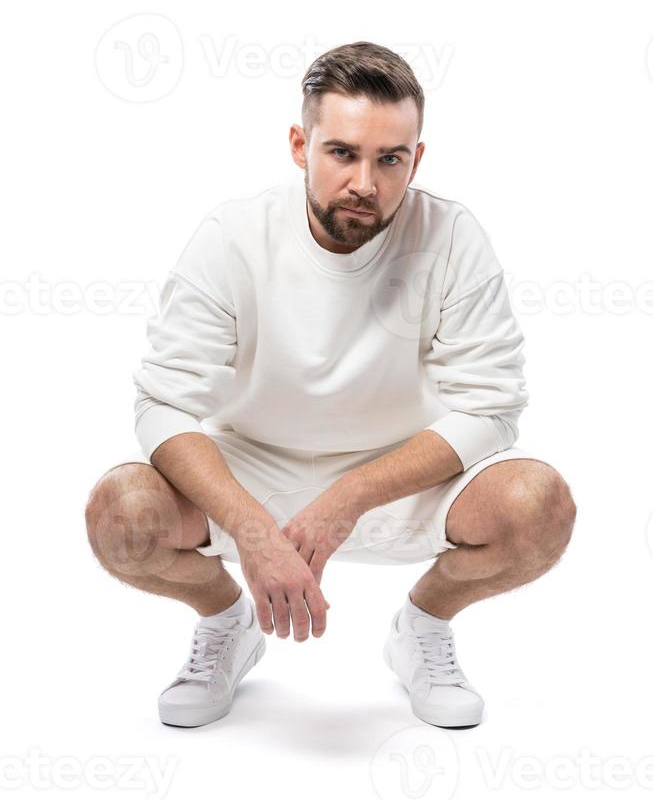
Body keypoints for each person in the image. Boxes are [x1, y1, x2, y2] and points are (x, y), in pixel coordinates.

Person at [85, 41, 576, 731]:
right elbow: (165, 402)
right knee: (119, 514)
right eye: (342, 152)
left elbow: (490, 406)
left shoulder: (451, 236)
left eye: (389, 158)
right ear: (299, 144)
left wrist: (348, 496)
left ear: (417, 158)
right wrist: (251, 529)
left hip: (399, 476)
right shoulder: (233, 236)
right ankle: (227, 623)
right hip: (250, 471)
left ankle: (423, 628)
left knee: (538, 507)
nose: (365, 183)